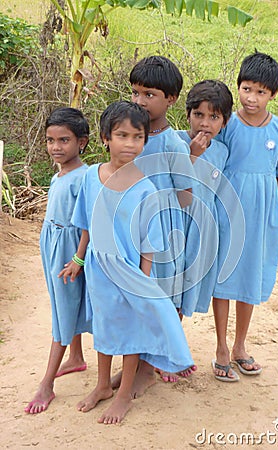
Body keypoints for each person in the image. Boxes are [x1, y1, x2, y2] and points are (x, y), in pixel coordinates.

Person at [65, 101, 194, 424]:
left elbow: (149, 243)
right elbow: (86, 225)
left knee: (133, 330)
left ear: (145, 141)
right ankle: (102, 386)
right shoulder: (91, 178)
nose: (130, 144)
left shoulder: (145, 188)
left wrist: (143, 281)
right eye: (122, 135)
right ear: (105, 138)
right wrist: (78, 260)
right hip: (98, 268)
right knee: (105, 326)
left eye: (138, 137)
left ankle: (123, 394)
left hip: (131, 272)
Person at [212, 51, 278, 381]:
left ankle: (240, 346)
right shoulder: (228, 124)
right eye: (247, 89)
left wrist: (273, 215)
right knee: (224, 276)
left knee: (250, 277)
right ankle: (220, 347)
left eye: (261, 92)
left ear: (273, 94)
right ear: (238, 87)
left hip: (262, 217)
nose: (252, 98)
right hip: (227, 211)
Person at [129, 55, 197, 382]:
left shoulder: (172, 143)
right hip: (132, 230)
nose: (140, 101)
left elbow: (186, 195)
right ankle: (135, 365)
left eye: (149, 94)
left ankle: (148, 368)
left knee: (161, 295)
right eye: (135, 93)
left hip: (164, 233)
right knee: (136, 296)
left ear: (170, 99)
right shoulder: (129, 136)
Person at [25, 107, 92, 414]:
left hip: (70, 250)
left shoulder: (85, 177)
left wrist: (78, 259)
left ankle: (47, 384)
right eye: (51, 140)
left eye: (64, 140)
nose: (55, 147)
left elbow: (88, 223)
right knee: (61, 302)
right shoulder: (59, 174)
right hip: (52, 244)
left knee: (63, 311)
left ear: (82, 142)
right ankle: (76, 357)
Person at [176, 80, 233, 317]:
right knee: (170, 286)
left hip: (202, 230)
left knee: (186, 291)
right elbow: (170, 181)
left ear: (225, 122)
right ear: (187, 114)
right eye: (198, 114)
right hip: (177, 223)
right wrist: (191, 154)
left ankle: (168, 349)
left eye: (214, 117)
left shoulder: (221, 152)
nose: (205, 123)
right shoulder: (176, 142)